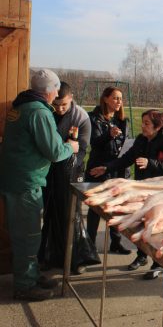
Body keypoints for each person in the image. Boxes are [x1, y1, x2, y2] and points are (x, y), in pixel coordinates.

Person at [0, 69, 79, 301]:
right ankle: (25, 286)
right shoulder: (39, 112)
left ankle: (31, 275)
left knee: (22, 232)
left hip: (13, 178)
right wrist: (71, 148)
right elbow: (55, 151)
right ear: (49, 90)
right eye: (55, 89)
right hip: (26, 183)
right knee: (28, 235)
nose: (57, 94)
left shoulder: (21, 106)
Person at [89, 109, 163, 279]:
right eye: (143, 122)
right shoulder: (140, 140)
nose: (143, 126)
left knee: (157, 226)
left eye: (147, 123)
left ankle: (158, 263)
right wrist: (107, 167)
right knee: (142, 222)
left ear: (158, 126)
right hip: (143, 189)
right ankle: (141, 255)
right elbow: (126, 158)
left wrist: (151, 163)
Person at [38, 82, 100, 275]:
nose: (60, 109)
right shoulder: (47, 113)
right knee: (50, 212)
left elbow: (81, 149)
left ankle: (76, 257)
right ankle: (50, 255)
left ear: (71, 98)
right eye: (56, 105)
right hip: (49, 168)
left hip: (71, 170)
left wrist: (68, 165)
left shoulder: (81, 117)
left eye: (64, 105)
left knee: (70, 214)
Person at [85, 86, 132, 255]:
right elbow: (94, 143)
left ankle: (116, 242)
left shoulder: (122, 120)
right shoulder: (93, 118)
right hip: (98, 169)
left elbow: (125, 145)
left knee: (116, 207)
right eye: (115, 98)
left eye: (120, 98)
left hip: (117, 169)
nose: (119, 102)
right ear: (105, 99)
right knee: (95, 209)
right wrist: (109, 135)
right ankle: (89, 246)